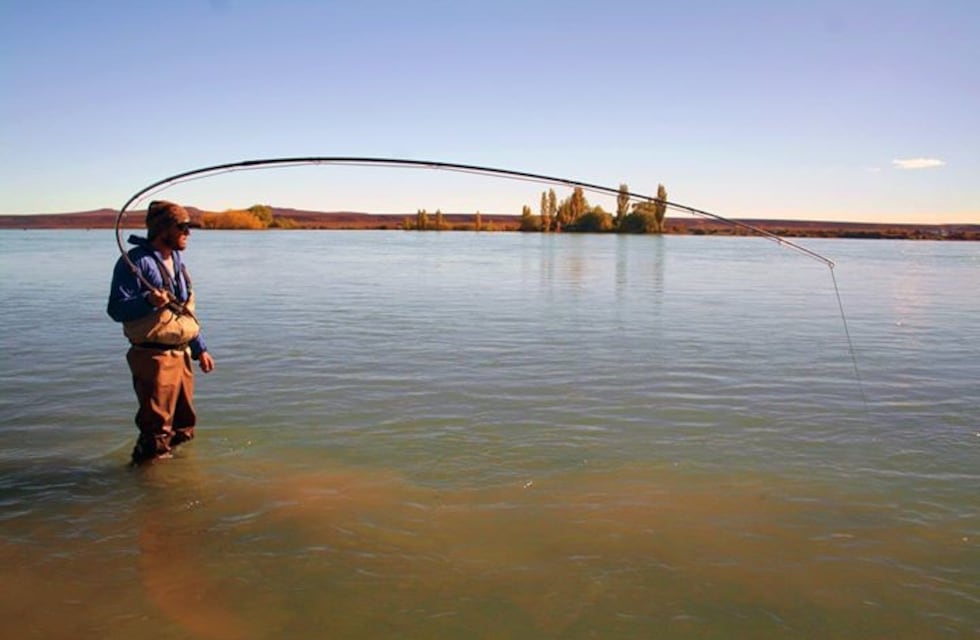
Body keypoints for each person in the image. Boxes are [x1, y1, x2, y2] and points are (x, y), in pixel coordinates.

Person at [107, 200, 215, 464]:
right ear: (163, 229)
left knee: (183, 426)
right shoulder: (135, 262)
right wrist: (148, 300)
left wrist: (200, 348)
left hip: (182, 354)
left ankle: (176, 475)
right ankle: (145, 477)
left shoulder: (177, 261)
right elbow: (116, 309)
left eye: (189, 228)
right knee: (156, 430)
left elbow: (183, 311)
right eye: (182, 227)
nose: (188, 233)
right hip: (153, 357)